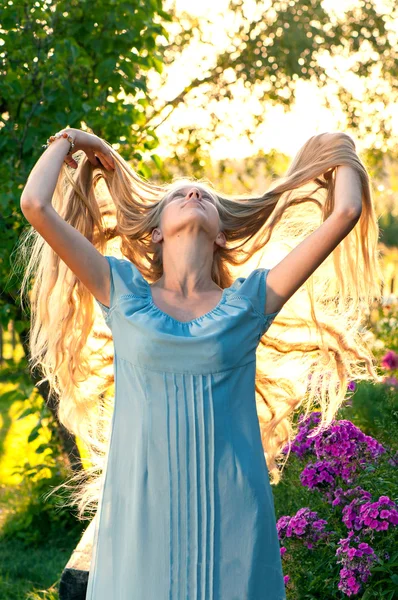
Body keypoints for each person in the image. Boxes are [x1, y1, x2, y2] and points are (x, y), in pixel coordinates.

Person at [17, 127, 383, 599]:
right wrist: (73, 141)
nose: (194, 192)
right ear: (154, 230)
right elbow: (36, 207)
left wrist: (340, 148)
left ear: (222, 235)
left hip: (232, 514)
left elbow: (347, 211)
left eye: (206, 196)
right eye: (179, 195)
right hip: (140, 514)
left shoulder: (250, 302)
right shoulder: (121, 290)